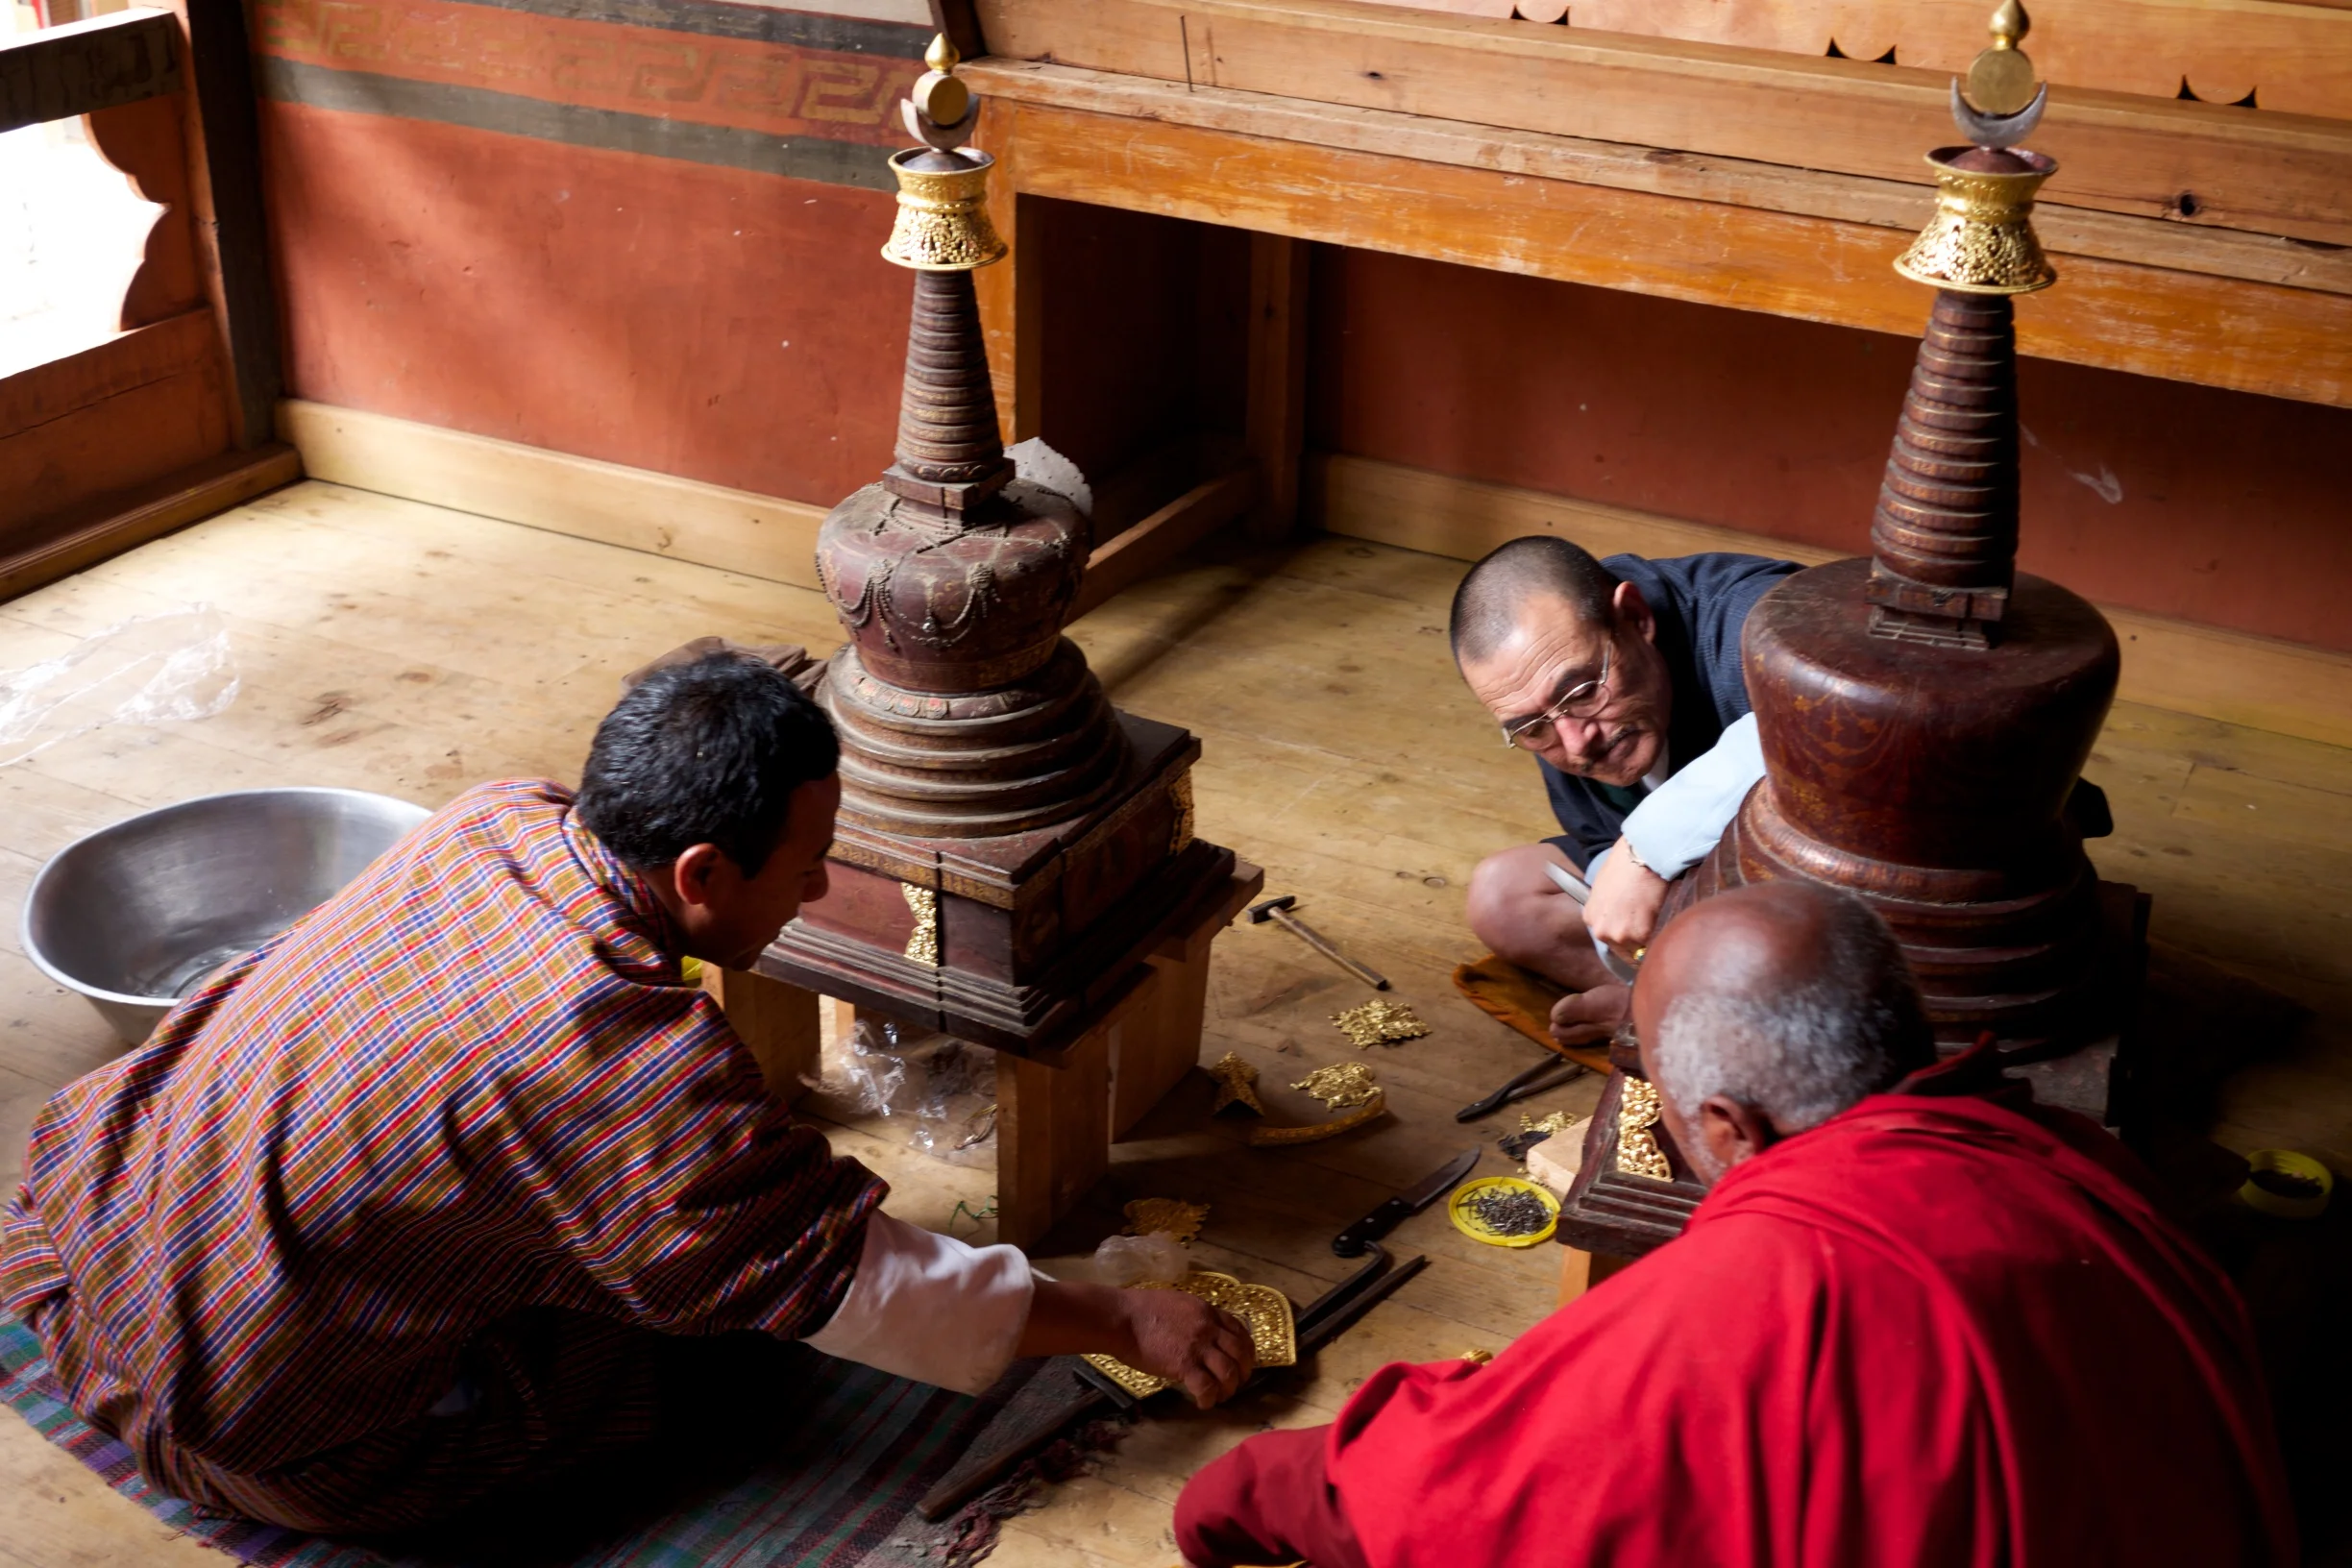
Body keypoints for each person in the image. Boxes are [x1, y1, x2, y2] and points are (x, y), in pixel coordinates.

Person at [0, 651, 1253, 1532]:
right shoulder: (633, 1067)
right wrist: (1123, 1322)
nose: (816, 899)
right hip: (255, 1425)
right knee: (695, 1362)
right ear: (702, 872)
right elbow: (848, 1286)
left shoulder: (496, 820)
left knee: (599, 1237)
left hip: (88, 1261)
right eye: (809, 871)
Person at [1174, 882, 2297, 1568]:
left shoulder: (1763, 1291)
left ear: (1728, 1125)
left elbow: (1455, 1494)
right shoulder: (2080, 1166)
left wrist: (1233, 1493)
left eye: (1660, 1099)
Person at [1452, 537, 1799, 1043]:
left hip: (1840, 883)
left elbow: (1837, 720)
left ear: (1636, 618)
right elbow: (1600, 842)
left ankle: (1711, 1019)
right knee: (1504, 896)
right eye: (1531, 728)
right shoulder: (1552, 710)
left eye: (1584, 692)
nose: (1577, 744)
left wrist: (1645, 850)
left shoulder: (1763, 618)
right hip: (1723, 899)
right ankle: (1671, 1002)